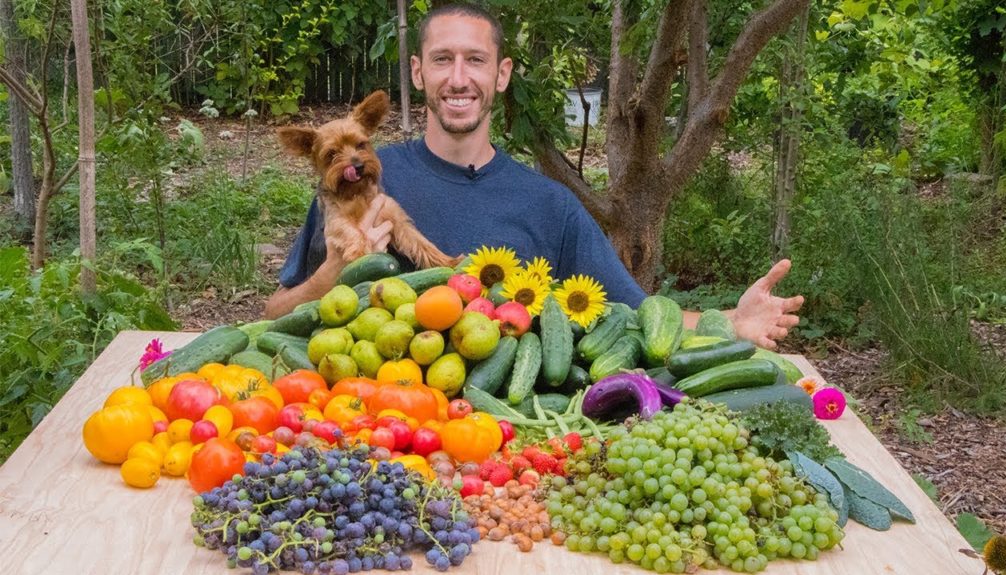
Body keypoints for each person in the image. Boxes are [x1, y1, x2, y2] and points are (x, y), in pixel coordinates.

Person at [265, 3, 803, 349]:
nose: (458, 78)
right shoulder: (356, 181)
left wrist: (729, 320)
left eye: (475, 60)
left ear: (501, 76)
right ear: (417, 71)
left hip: (509, 445)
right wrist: (330, 272)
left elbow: (637, 314)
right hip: (382, 423)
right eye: (442, 59)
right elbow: (274, 314)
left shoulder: (550, 203)